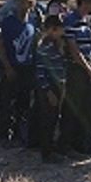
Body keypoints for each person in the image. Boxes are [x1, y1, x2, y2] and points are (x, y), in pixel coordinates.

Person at [60, 0, 91, 155]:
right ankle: (65, 144)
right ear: (86, 1)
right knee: (73, 107)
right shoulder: (71, 20)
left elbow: (89, 45)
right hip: (77, 69)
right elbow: (74, 50)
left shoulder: (87, 21)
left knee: (85, 106)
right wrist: (88, 69)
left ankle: (80, 143)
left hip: (88, 65)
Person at [0, 0, 37, 147]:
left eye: (29, 2)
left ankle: (20, 134)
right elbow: (0, 46)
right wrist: (7, 66)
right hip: (11, 66)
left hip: (27, 67)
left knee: (24, 102)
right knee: (8, 102)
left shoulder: (33, 23)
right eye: (23, 2)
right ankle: (4, 134)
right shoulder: (8, 22)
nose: (26, 5)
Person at [35, 15, 67, 162]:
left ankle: (51, 148)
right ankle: (46, 153)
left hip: (59, 85)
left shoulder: (57, 46)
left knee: (54, 119)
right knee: (48, 120)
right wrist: (48, 91)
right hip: (49, 88)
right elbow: (40, 73)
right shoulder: (44, 48)